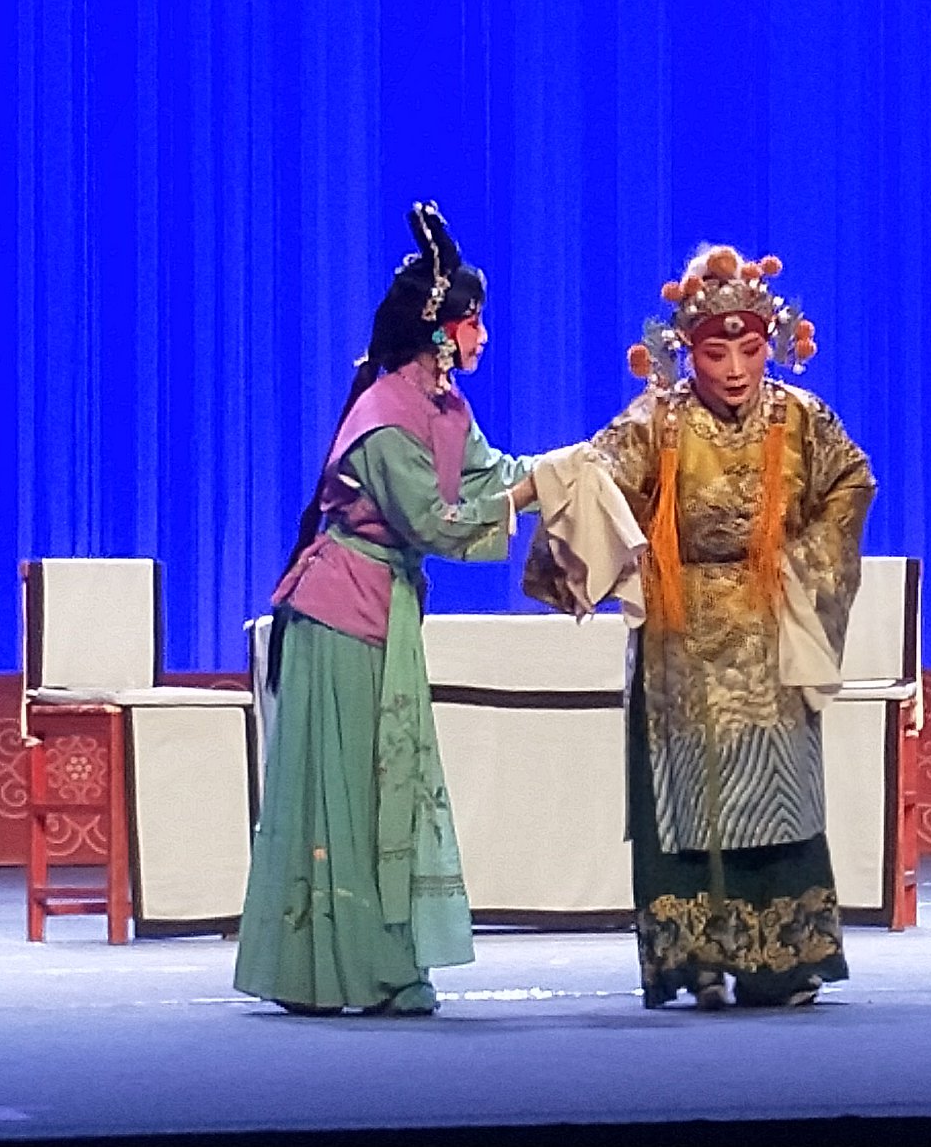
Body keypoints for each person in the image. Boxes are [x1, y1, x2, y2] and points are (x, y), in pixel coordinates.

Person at [524, 245, 875, 1009]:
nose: (737, 369)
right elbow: (593, 479)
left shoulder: (800, 417)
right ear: (688, 351)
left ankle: (779, 962)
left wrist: (801, 564)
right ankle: (695, 960)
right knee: (685, 797)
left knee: (776, 791)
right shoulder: (657, 421)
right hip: (677, 636)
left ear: (772, 345)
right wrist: (533, 496)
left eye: (750, 350)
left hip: (767, 625)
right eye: (717, 353)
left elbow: (852, 480)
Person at [235, 203, 542, 1017]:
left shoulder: (442, 407)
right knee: (349, 791)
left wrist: (569, 471)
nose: (482, 338)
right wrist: (526, 498)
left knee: (384, 788)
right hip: (342, 613)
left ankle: (380, 961)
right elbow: (433, 521)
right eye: (474, 324)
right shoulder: (382, 419)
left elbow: (492, 475)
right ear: (439, 331)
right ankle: (338, 967)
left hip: (385, 604)